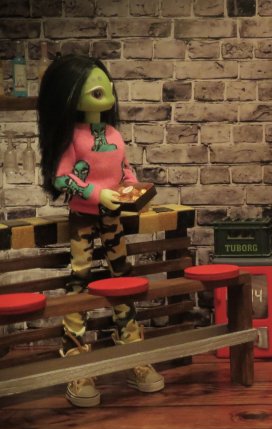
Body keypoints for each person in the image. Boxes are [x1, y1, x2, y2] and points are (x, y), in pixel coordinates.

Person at [37, 54, 163, 407]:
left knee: (122, 277)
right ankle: (76, 358)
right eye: (95, 90)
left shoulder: (113, 134)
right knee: (79, 280)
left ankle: (132, 350)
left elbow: (124, 169)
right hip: (83, 219)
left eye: (107, 87)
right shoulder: (72, 138)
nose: (105, 95)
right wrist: (96, 193)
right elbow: (62, 178)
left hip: (113, 218)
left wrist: (134, 189)